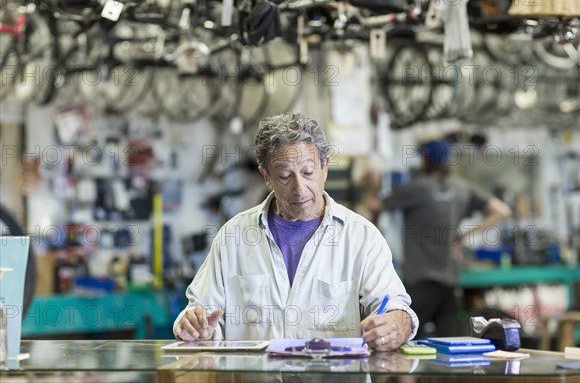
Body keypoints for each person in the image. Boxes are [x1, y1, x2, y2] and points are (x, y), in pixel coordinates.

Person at [173, 112, 418, 351]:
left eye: (308, 173)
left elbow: (395, 307)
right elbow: (201, 312)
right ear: (266, 176)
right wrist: (197, 327)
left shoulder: (362, 237)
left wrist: (398, 323)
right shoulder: (233, 237)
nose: (299, 189)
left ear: (325, 167)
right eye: (285, 176)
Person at [365, 139, 512, 338]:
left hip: (419, 286)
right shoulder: (462, 188)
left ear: (425, 159)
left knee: (407, 344)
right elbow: (502, 211)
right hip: (450, 286)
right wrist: (464, 235)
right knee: (450, 346)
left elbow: (373, 205)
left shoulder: (416, 188)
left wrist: (372, 182)